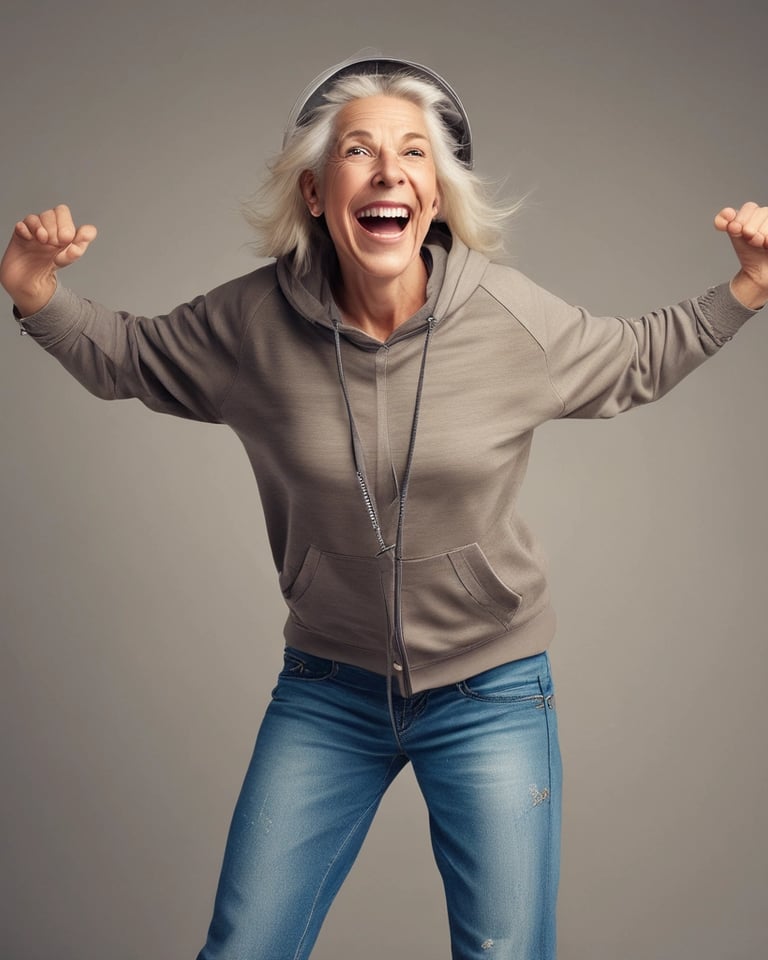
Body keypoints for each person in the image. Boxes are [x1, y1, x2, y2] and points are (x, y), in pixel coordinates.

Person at [1, 55, 766, 960]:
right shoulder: (252, 325)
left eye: (413, 153)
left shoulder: (508, 320)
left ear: (435, 197)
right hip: (328, 692)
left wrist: (750, 286)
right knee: (244, 947)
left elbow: (637, 357)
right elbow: (129, 355)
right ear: (319, 193)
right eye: (359, 151)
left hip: (492, 691)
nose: (388, 170)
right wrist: (33, 290)